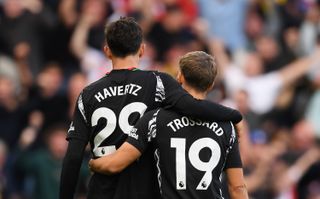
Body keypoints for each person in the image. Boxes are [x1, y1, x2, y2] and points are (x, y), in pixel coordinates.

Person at [59, 17, 242, 199]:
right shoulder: (158, 82)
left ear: (107, 51)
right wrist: (234, 116)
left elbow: (73, 158)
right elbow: (192, 106)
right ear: (142, 49)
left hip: (101, 191)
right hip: (144, 190)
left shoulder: (87, 94)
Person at [89, 51, 249, 199]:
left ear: (179, 77)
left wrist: (94, 163)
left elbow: (115, 164)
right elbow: (237, 188)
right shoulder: (227, 126)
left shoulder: (154, 119)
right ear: (211, 85)